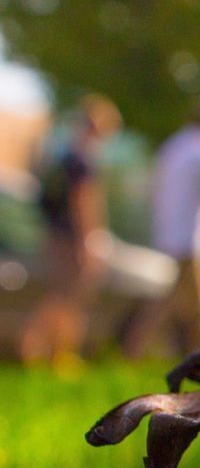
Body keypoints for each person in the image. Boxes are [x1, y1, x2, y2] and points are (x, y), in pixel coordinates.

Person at [123, 94, 200, 357]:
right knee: (199, 304)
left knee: (179, 302)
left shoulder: (173, 146)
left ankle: (145, 348)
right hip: (194, 239)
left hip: (169, 235)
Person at [19, 94, 121, 367]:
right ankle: (46, 351)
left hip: (58, 234)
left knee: (59, 294)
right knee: (70, 297)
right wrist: (91, 239)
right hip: (73, 238)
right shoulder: (84, 159)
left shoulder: (66, 153)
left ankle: (46, 351)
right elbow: (83, 203)